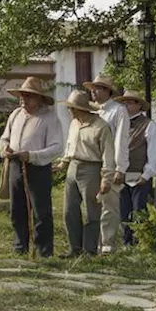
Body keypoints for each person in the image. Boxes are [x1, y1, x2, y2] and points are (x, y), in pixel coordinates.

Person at [0, 76, 64, 257]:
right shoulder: (16, 115)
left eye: (28, 96)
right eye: (21, 96)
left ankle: (44, 250)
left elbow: (56, 147)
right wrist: (4, 148)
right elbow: (5, 137)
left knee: (40, 210)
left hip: (38, 168)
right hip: (14, 165)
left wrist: (32, 156)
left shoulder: (50, 118)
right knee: (16, 209)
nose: (23, 100)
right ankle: (20, 246)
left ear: (39, 98)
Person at [55, 89, 116, 257]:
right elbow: (70, 146)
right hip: (73, 167)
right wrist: (63, 164)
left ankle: (89, 250)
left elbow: (108, 154)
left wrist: (106, 178)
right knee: (69, 211)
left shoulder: (101, 126)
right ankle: (74, 248)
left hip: (92, 168)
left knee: (91, 211)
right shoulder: (74, 124)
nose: (69, 111)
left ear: (81, 109)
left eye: (72, 108)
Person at [84, 76, 130, 253]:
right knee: (93, 203)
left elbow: (121, 140)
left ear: (107, 91)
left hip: (110, 162)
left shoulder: (118, 111)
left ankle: (108, 242)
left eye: (98, 88)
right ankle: (94, 241)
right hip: (93, 161)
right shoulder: (92, 110)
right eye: (92, 89)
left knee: (109, 204)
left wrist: (120, 167)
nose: (94, 92)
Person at [113, 90, 156, 246]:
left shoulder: (148, 124)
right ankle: (127, 242)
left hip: (138, 174)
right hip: (121, 173)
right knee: (123, 209)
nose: (125, 105)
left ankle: (140, 242)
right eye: (124, 102)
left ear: (139, 105)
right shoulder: (119, 123)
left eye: (130, 102)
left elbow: (154, 152)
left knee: (138, 209)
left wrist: (147, 174)